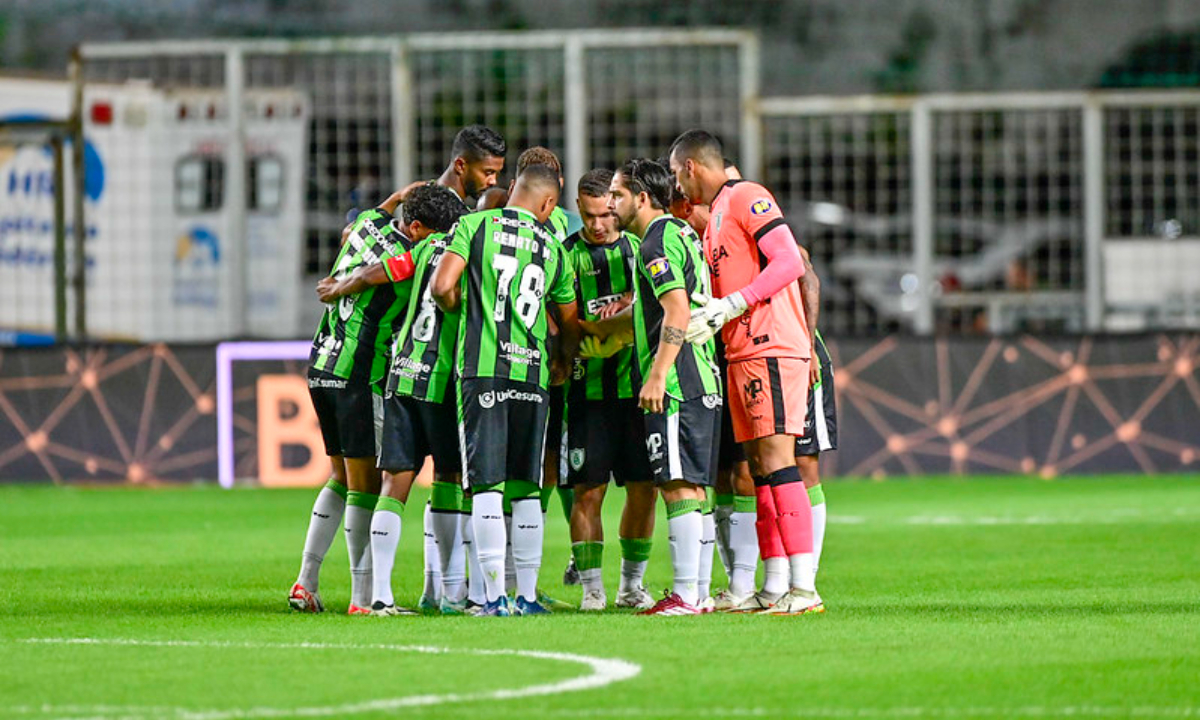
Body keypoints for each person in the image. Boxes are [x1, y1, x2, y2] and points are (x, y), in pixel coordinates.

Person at [670, 129, 822, 615]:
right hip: (742, 350)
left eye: (677, 173)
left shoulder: (746, 196)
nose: (677, 183)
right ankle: (775, 585)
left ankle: (805, 588)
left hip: (772, 344)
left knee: (779, 461)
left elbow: (788, 262)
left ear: (690, 166)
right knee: (759, 470)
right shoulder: (714, 215)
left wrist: (734, 302)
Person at [430, 163, 580, 617]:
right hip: (532, 375)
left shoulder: (473, 226)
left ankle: (492, 597)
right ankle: (527, 597)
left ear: (512, 188)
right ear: (549, 205)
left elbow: (442, 286)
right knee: (527, 488)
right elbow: (569, 319)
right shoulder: (554, 245)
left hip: (483, 371)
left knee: (487, 487)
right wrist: (561, 360)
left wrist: (462, 308)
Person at [314, 184, 470, 615]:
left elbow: (377, 267)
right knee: (450, 482)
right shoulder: (462, 247)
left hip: (400, 375)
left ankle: (378, 595)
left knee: (392, 483)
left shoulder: (411, 249)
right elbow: (437, 290)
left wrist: (342, 285)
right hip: (438, 380)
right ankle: (446, 593)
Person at [593, 158, 723, 616]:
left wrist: (656, 373)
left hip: (678, 380)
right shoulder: (681, 232)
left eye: (617, 194)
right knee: (694, 488)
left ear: (642, 197)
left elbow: (676, 310)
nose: (610, 204)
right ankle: (699, 592)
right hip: (703, 377)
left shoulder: (654, 241)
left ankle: (686, 594)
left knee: (676, 485)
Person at [289, 187, 417, 615]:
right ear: (416, 227)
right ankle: (363, 598)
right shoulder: (409, 258)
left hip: (322, 364)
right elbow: (386, 271)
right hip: (358, 374)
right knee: (364, 486)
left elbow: (378, 213)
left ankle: (306, 581)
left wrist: (398, 194)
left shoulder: (367, 225)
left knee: (340, 477)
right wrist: (352, 282)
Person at [562, 168, 656, 611]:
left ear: (618, 206)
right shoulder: (566, 255)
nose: (597, 225)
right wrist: (615, 326)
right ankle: (592, 590)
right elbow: (563, 325)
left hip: (640, 391)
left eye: (605, 214)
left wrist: (608, 329)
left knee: (644, 488)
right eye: (588, 215)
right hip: (587, 395)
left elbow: (658, 311)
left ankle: (630, 587)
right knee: (588, 492)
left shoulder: (640, 249)